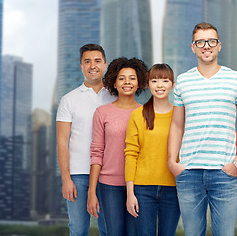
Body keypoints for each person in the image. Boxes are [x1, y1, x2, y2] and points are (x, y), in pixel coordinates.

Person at [167, 22, 237, 236]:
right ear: (193, 47)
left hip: (224, 172)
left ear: (219, 46)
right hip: (189, 172)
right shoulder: (183, 81)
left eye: (211, 41)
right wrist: (172, 161)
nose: (206, 46)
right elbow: (177, 125)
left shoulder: (236, 79)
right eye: (200, 42)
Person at [56, 44, 114, 236]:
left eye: (97, 61)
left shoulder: (116, 96)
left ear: (105, 65)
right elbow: (62, 141)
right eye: (87, 61)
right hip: (78, 174)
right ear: (81, 66)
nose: (92, 65)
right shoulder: (68, 99)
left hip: (109, 174)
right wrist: (66, 178)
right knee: (78, 229)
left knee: (110, 229)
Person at [87, 57, 147, 236]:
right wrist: (92, 190)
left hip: (139, 185)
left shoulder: (146, 113)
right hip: (109, 185)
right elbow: (97, 152)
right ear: (114, 82)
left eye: (132, 78)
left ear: (139, 83)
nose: (127, 82)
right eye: (121, 78)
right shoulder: (102, 113)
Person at [125, 63, 180, 235]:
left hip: (173, 188)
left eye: (165, 80)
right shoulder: (137, 114)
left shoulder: (180, 115)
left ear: (172, 84)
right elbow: (130, 154)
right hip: (143, 189)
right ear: (148, 84)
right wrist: (130, 193)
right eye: (154, 81)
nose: (160, 85)